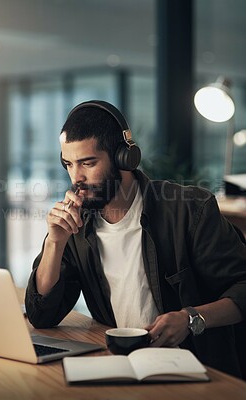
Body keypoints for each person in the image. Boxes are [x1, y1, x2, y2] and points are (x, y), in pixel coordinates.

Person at [25, 100, 246, 378]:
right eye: (68, 164)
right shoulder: (76, 224)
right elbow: (41, 314)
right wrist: (55, 243)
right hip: (121, 366)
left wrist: (191, 318)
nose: (76, 178)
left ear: (124, 158)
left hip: (197, 369)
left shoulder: (189, 209)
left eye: (88, 163)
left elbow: (243, 286)